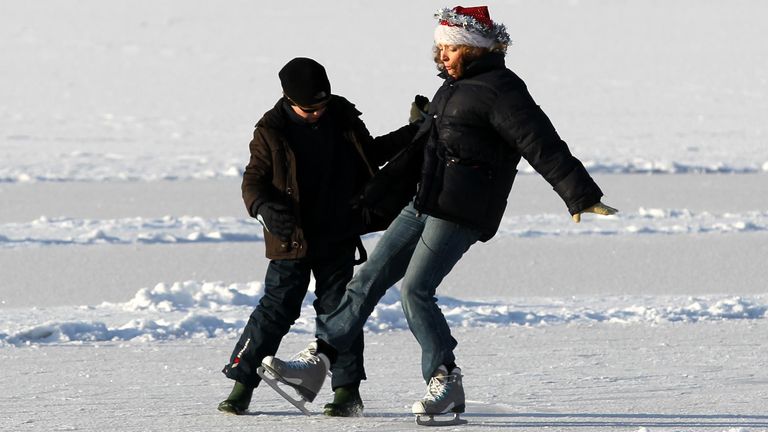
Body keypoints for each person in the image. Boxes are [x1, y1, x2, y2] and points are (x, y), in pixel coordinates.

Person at [260, 6, 618, 422]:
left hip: (463, 209)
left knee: (416, 290)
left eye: (449, 48)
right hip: (425, 200)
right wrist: (382, 182)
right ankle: (318, 359)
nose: (441, 55)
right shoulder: (453, 87)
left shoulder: (502, 90)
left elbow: (542, 143)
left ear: (472, 47)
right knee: (369, 277)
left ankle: (445, 380)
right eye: (440, 47)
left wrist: (579, 194)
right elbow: (422, 146)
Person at [218, 57, 422, 416]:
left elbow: (370, 153)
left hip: (337, 234)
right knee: (275, 311)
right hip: (291, 239)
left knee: (339, 312)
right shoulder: (270, 130)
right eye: (307, 108)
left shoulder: (342, 118)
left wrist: (414, 131)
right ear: (288, 99)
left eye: (321, 106)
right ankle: (242, 384)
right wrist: (264, 209)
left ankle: (346, 392)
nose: (315, 113)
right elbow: (253, 182)